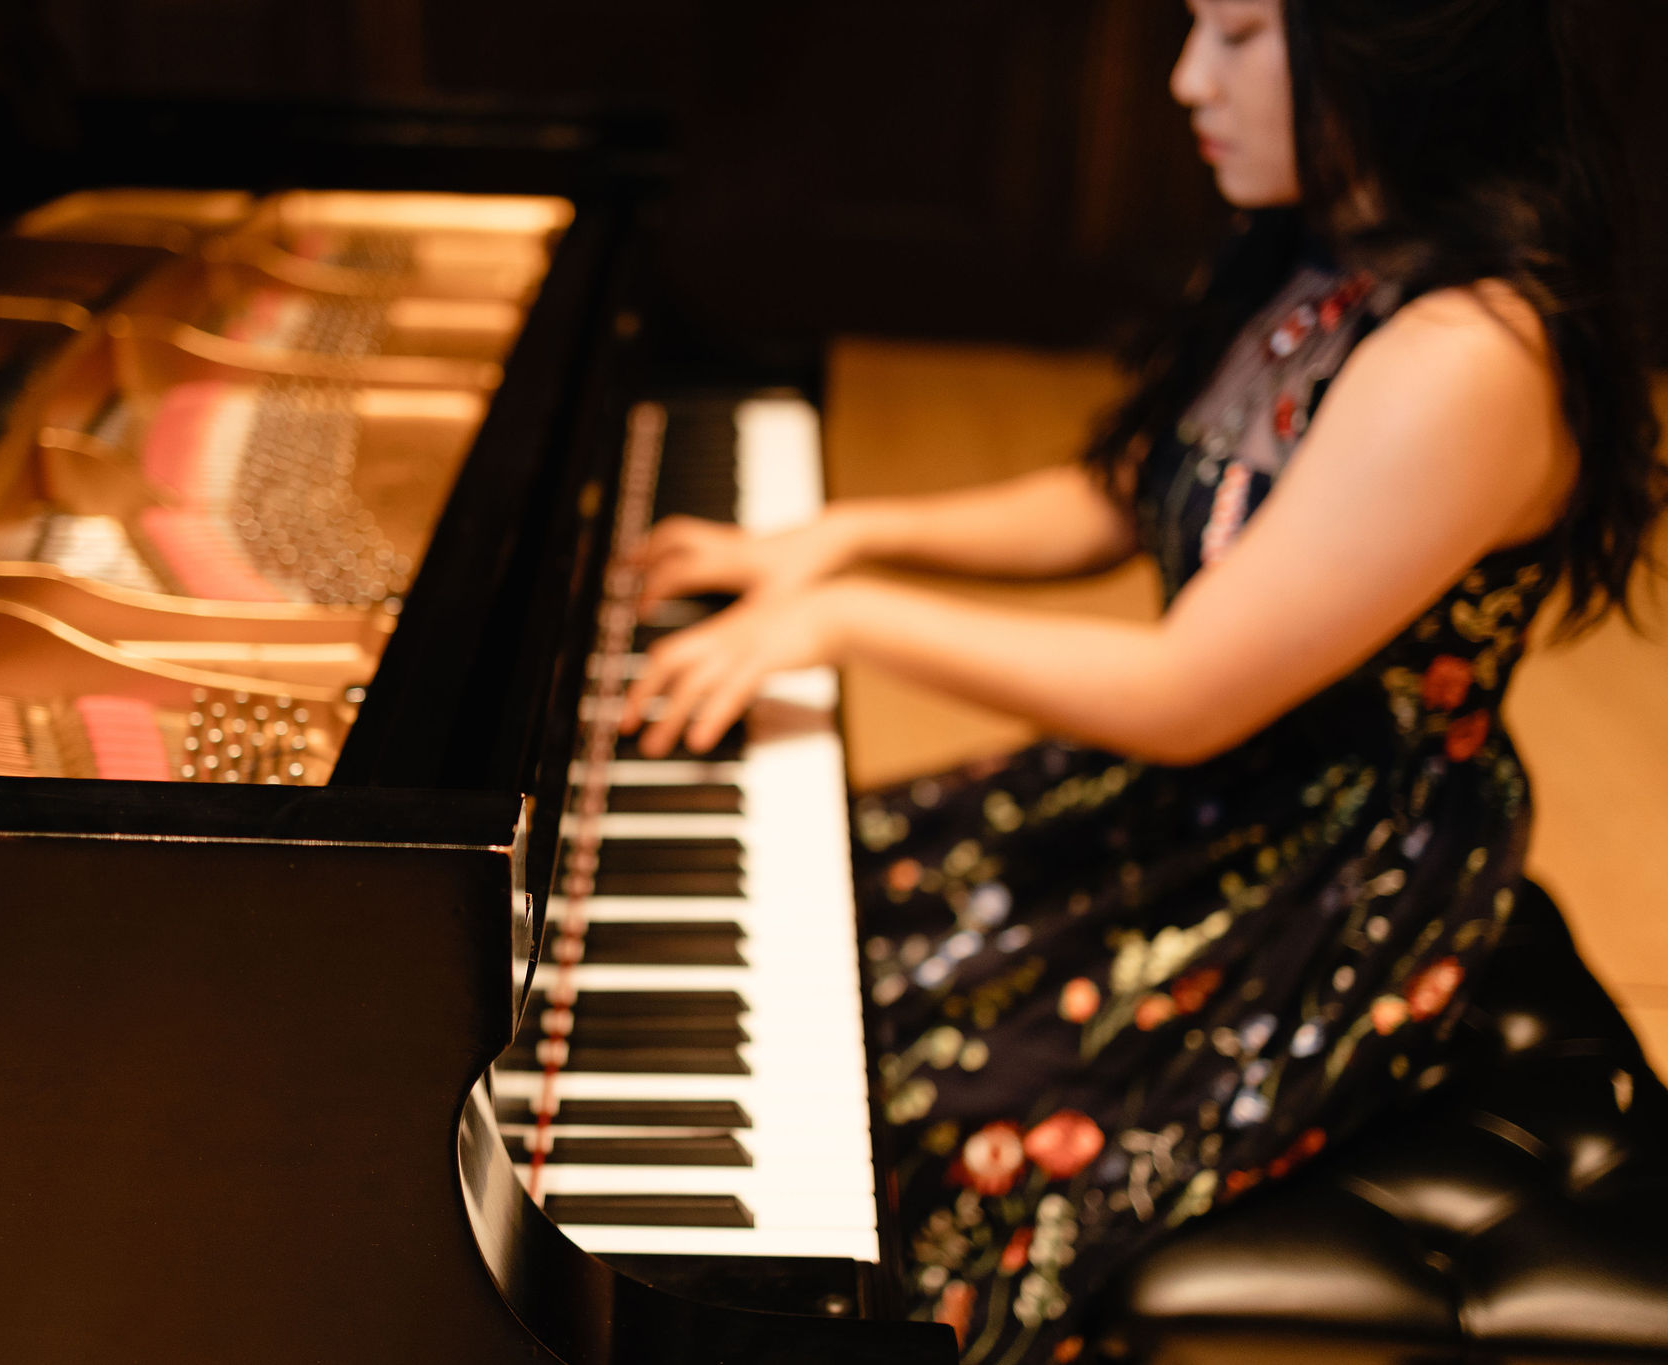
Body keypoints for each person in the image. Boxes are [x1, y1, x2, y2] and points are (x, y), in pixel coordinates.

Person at [618, 1, 1665, 1362]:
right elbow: (1126, 489)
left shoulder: (1467, 357)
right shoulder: (1336, 248)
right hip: (1200, 798)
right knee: (811, 941)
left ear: (1391, 53)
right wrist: (851, 532)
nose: (1185, 80)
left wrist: (852, 613)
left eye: (1235, 36)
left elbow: (1188, 690)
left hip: (1322, 866)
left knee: (923, 1158)